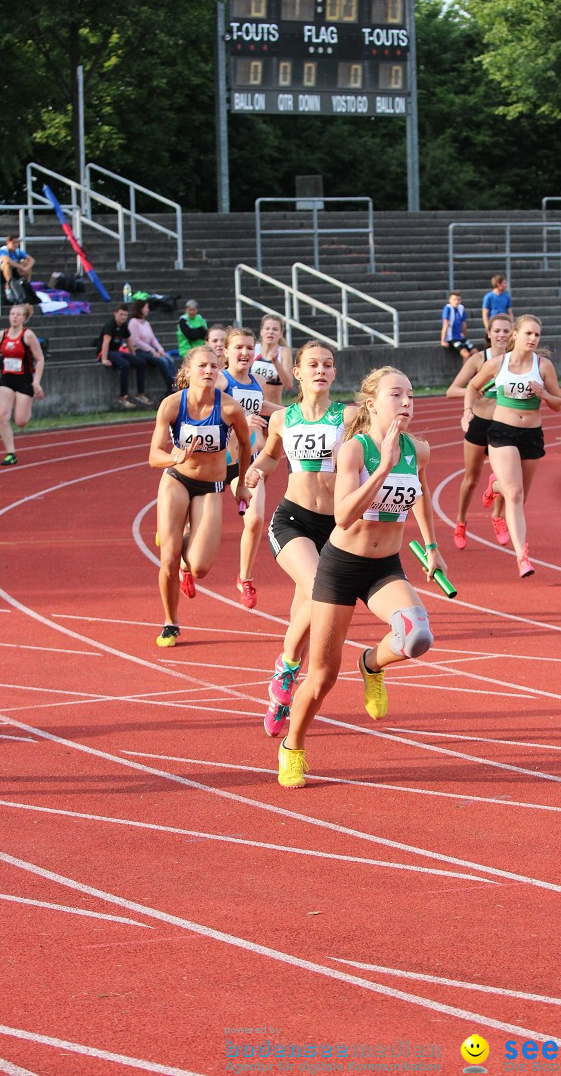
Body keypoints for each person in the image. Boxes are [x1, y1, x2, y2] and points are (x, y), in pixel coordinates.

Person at [276, 365, 447, 789]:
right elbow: (343, 516)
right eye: (396, 394)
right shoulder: (354, 450)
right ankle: (292, 747)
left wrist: (432, 546)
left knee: (416, 635)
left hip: (384, 567)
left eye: (410, 394)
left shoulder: (418, 449)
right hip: (340, 566)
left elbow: (421, 495)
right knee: (321, 679)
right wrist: (384, 466)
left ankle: (371, 664)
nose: (407, 402)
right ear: (372, 403)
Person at [245, 341, 355, 738]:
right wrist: (257, 470)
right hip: (293, 520)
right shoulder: (283, 420)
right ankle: (287, 668)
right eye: (313, 364)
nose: (321, 370)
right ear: (299, 371)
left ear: (334, 373)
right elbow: (272, 457)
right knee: (319, 592)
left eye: (328, 364)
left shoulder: (350, 416)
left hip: (338, 528)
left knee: (307, 617)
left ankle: (280, 698)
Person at [148, 346, 251, 648]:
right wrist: (175, 457)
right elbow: (154, 456)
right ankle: (170, 622)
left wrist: (242, 483)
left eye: (213, 367)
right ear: (188, 371)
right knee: (167, 557)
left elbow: (246, 446)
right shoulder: (171, 405)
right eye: (202, 366)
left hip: (210, 486)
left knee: (199, 567)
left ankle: (180, 533)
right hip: (177, 480)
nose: (208, 371)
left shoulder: (230, 408)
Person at [464, 314, 561, 579]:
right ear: (515, 335)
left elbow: (559, 403)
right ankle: (522, 557)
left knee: (519, 497)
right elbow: (472, 387)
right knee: (515, 494)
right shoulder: (498, 364)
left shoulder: (543, 367)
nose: (533, 339)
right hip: (502, 432)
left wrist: (544, 395)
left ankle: (494, 486)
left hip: (531, 435)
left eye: (537, 335)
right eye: (528, 333)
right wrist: (467, 412)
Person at [217, 327, 282, 609]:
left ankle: (245, 579)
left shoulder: (255, 379)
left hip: (247, 461)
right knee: (195, 529)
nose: (244, 353)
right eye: (239, 347)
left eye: (248, 347)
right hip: (217, 461)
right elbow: (207, 410)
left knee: (255, 521)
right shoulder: (221, 379)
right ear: (227, 352)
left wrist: (293, 412)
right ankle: (184, 564)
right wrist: (242, 421)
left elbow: (263, 405)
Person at [446, 313, 512, 549]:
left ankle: (497, 517)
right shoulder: (477, 360)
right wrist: (473, 392)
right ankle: (461, 522)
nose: (501, 335)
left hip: (504, 425)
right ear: (489, 333)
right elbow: (451, 389)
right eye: (497, 330)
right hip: (479, 422)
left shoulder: (516, 361)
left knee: (506, 477)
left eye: (506, 331)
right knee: (471, 479)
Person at [0, 304, 45, 466]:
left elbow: (39, 359)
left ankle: (27, 407)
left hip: (24, 381)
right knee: (2, 416)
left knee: (20, 421)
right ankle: (10, 453)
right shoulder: (1, 335)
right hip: (6, 380)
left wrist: (36, 382)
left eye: (19, 315)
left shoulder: (28, 336)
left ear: (24, 318)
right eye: (12, 314)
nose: (15, 317)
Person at [97, 304, 151, 409]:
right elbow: (105, 342)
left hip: (117, 352)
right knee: (124, 365)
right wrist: (103, 359)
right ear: (115, 314)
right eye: (121, 314)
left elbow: (129, 340)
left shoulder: (124, 325)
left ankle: (140, 393)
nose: (123, 317)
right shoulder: (110, 325)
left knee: (141, 362)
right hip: (105, 352)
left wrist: (134, 356)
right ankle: (122, 396)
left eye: (125, 315)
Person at [128, 300, 177, 393]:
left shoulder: (146, 323)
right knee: (162, 362)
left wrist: (160, 349)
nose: (148, 309)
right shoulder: (133, 322)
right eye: (146, 307)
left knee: (169, 359)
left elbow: (153, 339)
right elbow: (136, 341)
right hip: (140, 351)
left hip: (149, 350)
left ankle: (176, 382)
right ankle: (171, 387)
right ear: (140, 309)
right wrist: (151, 350)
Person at [250, 314, 294, 406]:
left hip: (274, 410)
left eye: (275, 329)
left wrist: (276, 362)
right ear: (262, 331)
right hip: (253, 409)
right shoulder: (254, 348)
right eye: (267, 328)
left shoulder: (284, 352)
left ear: (281, 333)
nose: (270, 332)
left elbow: (289, 384)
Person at [440, 290, 480, 360]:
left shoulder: (461, 308)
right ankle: (465, 371)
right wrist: (443, 341)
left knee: (476, 353)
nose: (456, 301)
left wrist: (464, 335)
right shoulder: (448, 308)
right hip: (452, 338)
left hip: (460, 337)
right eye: (454, 299)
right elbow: (445, 324)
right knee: (466, 355)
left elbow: (463, 324)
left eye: (458, 299)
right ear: (450, 300)